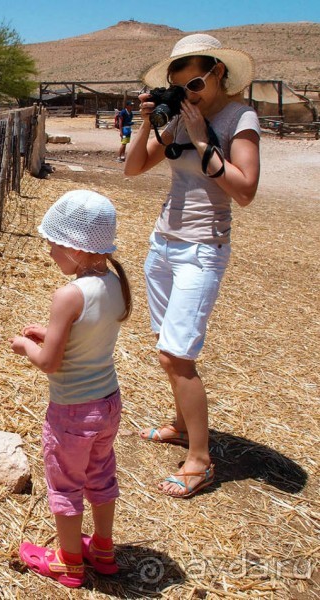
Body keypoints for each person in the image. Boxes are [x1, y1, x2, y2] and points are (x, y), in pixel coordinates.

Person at [123, 34, 260, 499]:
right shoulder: (181, 116)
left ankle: (200, 461)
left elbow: (244, 191)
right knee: (168, 344)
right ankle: (182, 428)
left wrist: (202, 140)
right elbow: (134, 168)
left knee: (177, 356)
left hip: (202, 247)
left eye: (197, 83)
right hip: (163, 243)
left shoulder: (239, 118)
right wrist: (147, 124)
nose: (191, 94)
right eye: (182, 87)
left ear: (219, 72)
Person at [10, 190, 132, 588]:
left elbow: (50, 363)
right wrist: (50, 333)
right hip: (108, 404)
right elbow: (88, 334)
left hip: (73, 411)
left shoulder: (68, 295)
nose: (49, 253)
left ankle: (68, 561)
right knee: (100, 475)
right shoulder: (115, 284)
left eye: (53, 244)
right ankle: (103, 546)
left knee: (65, 483)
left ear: (75, 246)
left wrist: (27, 345)